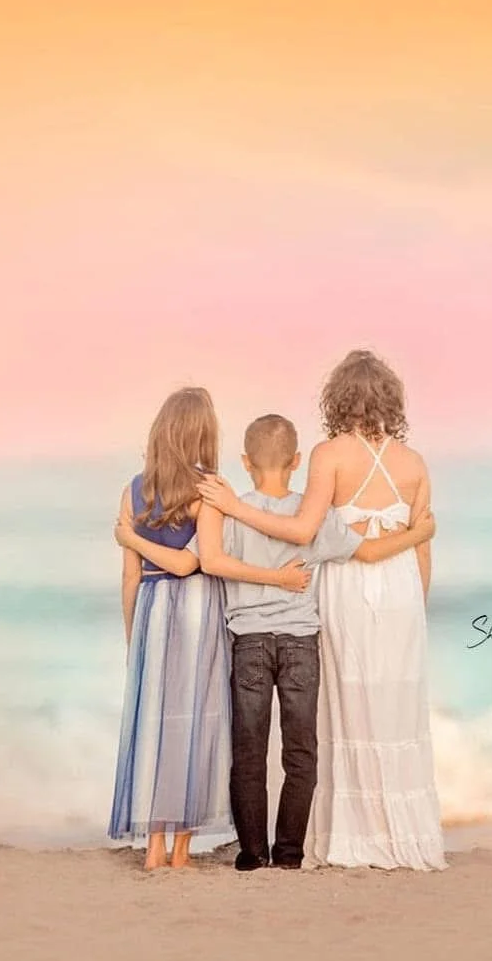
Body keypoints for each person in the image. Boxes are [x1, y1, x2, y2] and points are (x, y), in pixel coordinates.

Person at [118, 413, 436, 871]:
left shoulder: (227, 510)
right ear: (297, 461)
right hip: (300, 640)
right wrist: (417, 534)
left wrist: (132, 540)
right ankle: (289, 854)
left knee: (248, 752)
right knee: (300, 752)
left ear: (246, 462)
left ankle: (252, 854)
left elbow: (206, 561)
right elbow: (367, 552)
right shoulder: (314, 516)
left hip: (248, 640)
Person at [197, 351, 448, 870]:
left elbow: (298, 531)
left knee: (334, 712)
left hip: (331, 597)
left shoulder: (328, 455)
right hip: (397, 590)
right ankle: (387, 835)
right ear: (391, 399)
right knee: (389, 711)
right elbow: (415, 549)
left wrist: (236, 508)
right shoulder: (415, 463)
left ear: (337, 399)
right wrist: (417, 595)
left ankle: (308, 842)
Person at [109, 388, 311, 870]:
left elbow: (131, 575)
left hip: (153, 609)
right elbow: (192, 563)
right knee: (195, 720)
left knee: (156, 722)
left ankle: (154, 847)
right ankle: (180, 850)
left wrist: (133, 631)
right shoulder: (210, 490)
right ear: (204, 434)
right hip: (197, 609)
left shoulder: (133, 491)